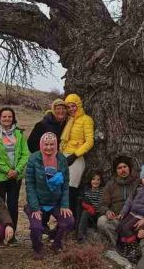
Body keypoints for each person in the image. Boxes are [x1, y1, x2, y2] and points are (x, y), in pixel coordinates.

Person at [0, 107, 30, 246]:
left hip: (15, 177)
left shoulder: (19, 134)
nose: (7, 119)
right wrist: (7, 170)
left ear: (13, 118)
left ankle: (11, 236)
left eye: (10, 117)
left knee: (13, 206)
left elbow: (25, 154)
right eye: (4, 117)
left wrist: (17, 170)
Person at [24, 132, 74, 258]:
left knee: (68, 221)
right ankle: (37, 248)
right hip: (38, 202)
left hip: (55, 202)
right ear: (41, 144)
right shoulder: (34, 158)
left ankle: (56, 243)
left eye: (52, 144)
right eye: (46, 144)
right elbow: (29, 184)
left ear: (56, 144)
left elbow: (65, 184)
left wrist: (64, 205)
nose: (49, 147)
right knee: (36, 227)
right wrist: (35, 207)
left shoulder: (61, 159)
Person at [60, 93, 94, 221]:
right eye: (68, 107)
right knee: (62, 190)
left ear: (78, 105)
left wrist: (75, 155)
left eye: (73, 106)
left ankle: (71, 222)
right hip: (64, 156)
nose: (71, 109)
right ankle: (62, 222)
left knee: (71, 190)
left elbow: (90, 141)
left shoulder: (86, 120)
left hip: (77, 158)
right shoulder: (69, 120)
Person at [97, 156, 139, 247]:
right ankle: (116, 245)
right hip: (116, 218)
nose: (122, 170)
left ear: (129, 168)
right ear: (116, 171)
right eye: (119, 168)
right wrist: (107, 211)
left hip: (133, 219)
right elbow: (102, 204)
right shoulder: (111, 184)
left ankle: (133, 248)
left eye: (125, 167)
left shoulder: (137, 182)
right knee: (102, 221)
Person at [76, 170, 105, 243]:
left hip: (100, 214)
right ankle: (81, 236)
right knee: (85, 212)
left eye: (98, 179)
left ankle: (100, 234)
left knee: (102, 217)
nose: (96, 181)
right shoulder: (86, 191)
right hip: (91, 214)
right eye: (93, 179)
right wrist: (88, 207)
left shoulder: (103, 191)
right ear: (90, 180)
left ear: (101, 181)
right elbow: (82, 201)